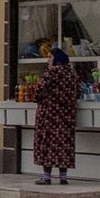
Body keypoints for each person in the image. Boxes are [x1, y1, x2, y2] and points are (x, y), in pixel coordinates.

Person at [33, 47, 80, 185]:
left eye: (49, 57)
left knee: (48, 144)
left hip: (50, 115)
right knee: (64, 144)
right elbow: (78, 92)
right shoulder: (72, 73)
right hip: (67, 116)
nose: (47, 60)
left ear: (56, 59)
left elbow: (39, 91)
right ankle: (63, 177)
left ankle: (47, 176)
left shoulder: (51, 73)